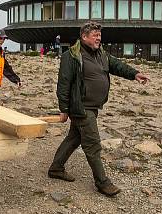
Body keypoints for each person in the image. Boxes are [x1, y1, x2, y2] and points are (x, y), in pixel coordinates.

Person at [48, 21, 149, 197]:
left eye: (99, 36)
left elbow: (117, 65)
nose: (98, 39)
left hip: (93, 107)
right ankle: (102, 182)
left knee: (74, 138)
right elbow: (63, 83)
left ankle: (56, 168)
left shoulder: (101, 54)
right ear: (84, 37)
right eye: (95, 36)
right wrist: (64, 108)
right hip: (81, 107)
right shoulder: (71, 55)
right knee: (93, 143)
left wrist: (134, 74)